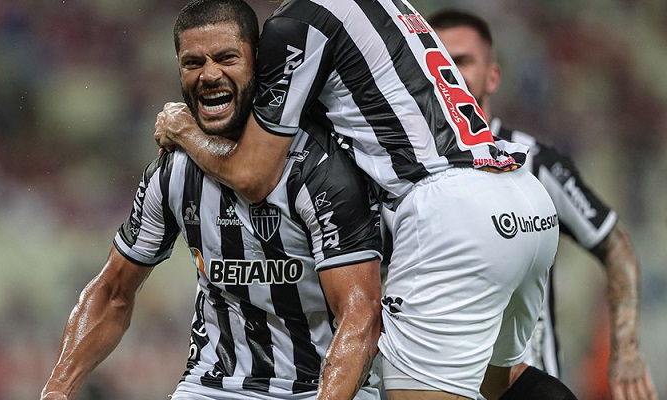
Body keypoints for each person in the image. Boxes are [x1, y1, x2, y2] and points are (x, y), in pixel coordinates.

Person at [155, 1, 576, 399]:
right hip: (519, 195)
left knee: (409, 386)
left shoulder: (297, 23)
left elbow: (253, 175)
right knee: (499, 378)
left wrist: (184, 130)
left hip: (451, 210)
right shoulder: (388, 6)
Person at [40, 0, 385, 399]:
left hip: (322, 388)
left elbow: (360, 315)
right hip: (213, 386)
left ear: (259, 64)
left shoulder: (320, 168)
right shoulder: (173, 173)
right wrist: (56, 390)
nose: (209, 74)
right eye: (192, 62)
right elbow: (113, 292)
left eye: (226, 58)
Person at [428, 8, 658, 400]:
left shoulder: (535, 163)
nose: (450, 72)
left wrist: (627, 350)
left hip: (527, 388)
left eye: (463, 60)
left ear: (493, 76)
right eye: (439, 61)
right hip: (435, 386)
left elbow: (614, 243)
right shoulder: (398, 167)